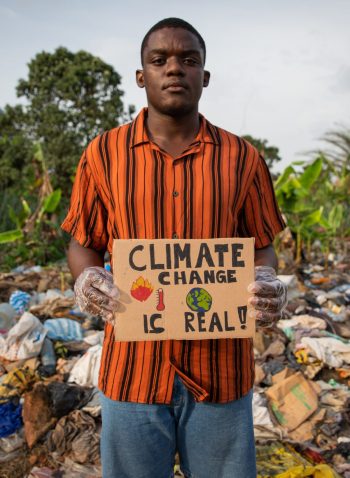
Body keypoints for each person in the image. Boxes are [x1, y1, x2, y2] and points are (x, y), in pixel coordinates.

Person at [62, 17, 287, 478]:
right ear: (141, 76)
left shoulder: (242, 158)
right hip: (133, 372)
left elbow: (261, 246)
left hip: (221, 372)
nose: (174, 69)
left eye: (189, 60)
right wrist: (87, 277)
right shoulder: (102, 155)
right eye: (159, 59)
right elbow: (83, 243)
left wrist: (264, 278)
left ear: (204, 77)